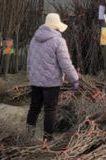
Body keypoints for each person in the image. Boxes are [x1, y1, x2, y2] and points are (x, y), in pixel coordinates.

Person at [26, 13, 79, 141]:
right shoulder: (58, 41)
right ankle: (47, 139)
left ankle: (27, 135)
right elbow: (65, 63)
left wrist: (32, 76)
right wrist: (74, 78)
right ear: (57, 26)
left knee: (34, 107)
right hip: (51, 82)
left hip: (35, 81)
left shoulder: (34, 39)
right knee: (50, 110)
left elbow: (29, 60)